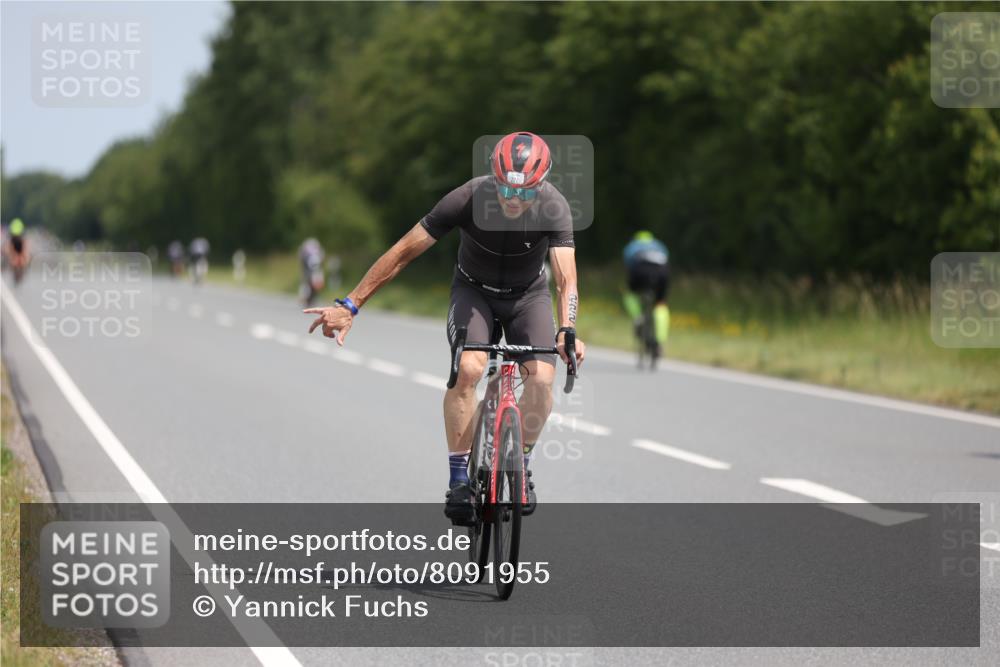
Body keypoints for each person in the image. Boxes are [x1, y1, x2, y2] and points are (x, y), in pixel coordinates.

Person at [304, 132, 586, 523]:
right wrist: (351, 304)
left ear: (540, 186)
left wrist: (567, 329)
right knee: (469, 368)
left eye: (524, 193)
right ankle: (458, 480)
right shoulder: (467, 198)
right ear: (494, 177)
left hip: (528, 297)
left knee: (540, 379)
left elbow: (565, 278)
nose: (512, 200)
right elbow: (403, 251)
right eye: (505, 188)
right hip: (474, 292)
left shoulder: (554, 206)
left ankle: (518, 464)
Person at [622, 230, 670, 352]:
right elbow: (667, 258)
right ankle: (659, 341)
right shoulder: (658, 245)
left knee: (630, 293)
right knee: (661, 304)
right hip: (661, 271)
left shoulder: (633, 245)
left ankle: (638, 316)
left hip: (640, 269)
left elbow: (628, 264)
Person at [298, 238, 326, 307]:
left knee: (314, 286)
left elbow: (322, 260)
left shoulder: (307, 250)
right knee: (308, 285)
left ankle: (310, 299)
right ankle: (307, 299)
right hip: (309, 271)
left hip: (314, 271)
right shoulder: (306, 251)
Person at [4, 218, 30, 284]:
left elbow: (25, 250)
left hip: (20, 249)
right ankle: (15, 270)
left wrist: (24, 258)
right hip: (14, 250)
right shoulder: (11, 240)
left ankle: (21, 271)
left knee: (22, 260)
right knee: (14, 260)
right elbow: (9, 249)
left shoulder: (23, 240)